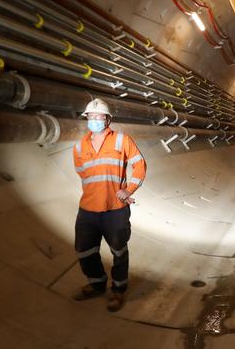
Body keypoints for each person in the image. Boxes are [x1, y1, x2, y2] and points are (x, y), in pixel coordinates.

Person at [71, 98, 146, 312]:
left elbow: (139, 165)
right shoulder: (78, 148)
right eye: (91, 117)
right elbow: (83, 176)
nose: (94, 120)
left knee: (119, 251)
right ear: (87, 119)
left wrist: (128, 190)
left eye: (99, 117)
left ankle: (118, 290)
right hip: (87, 210)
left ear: (108, 119)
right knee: (84, 250)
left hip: (115, 210)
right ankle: (96, 283)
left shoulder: (122, 141)